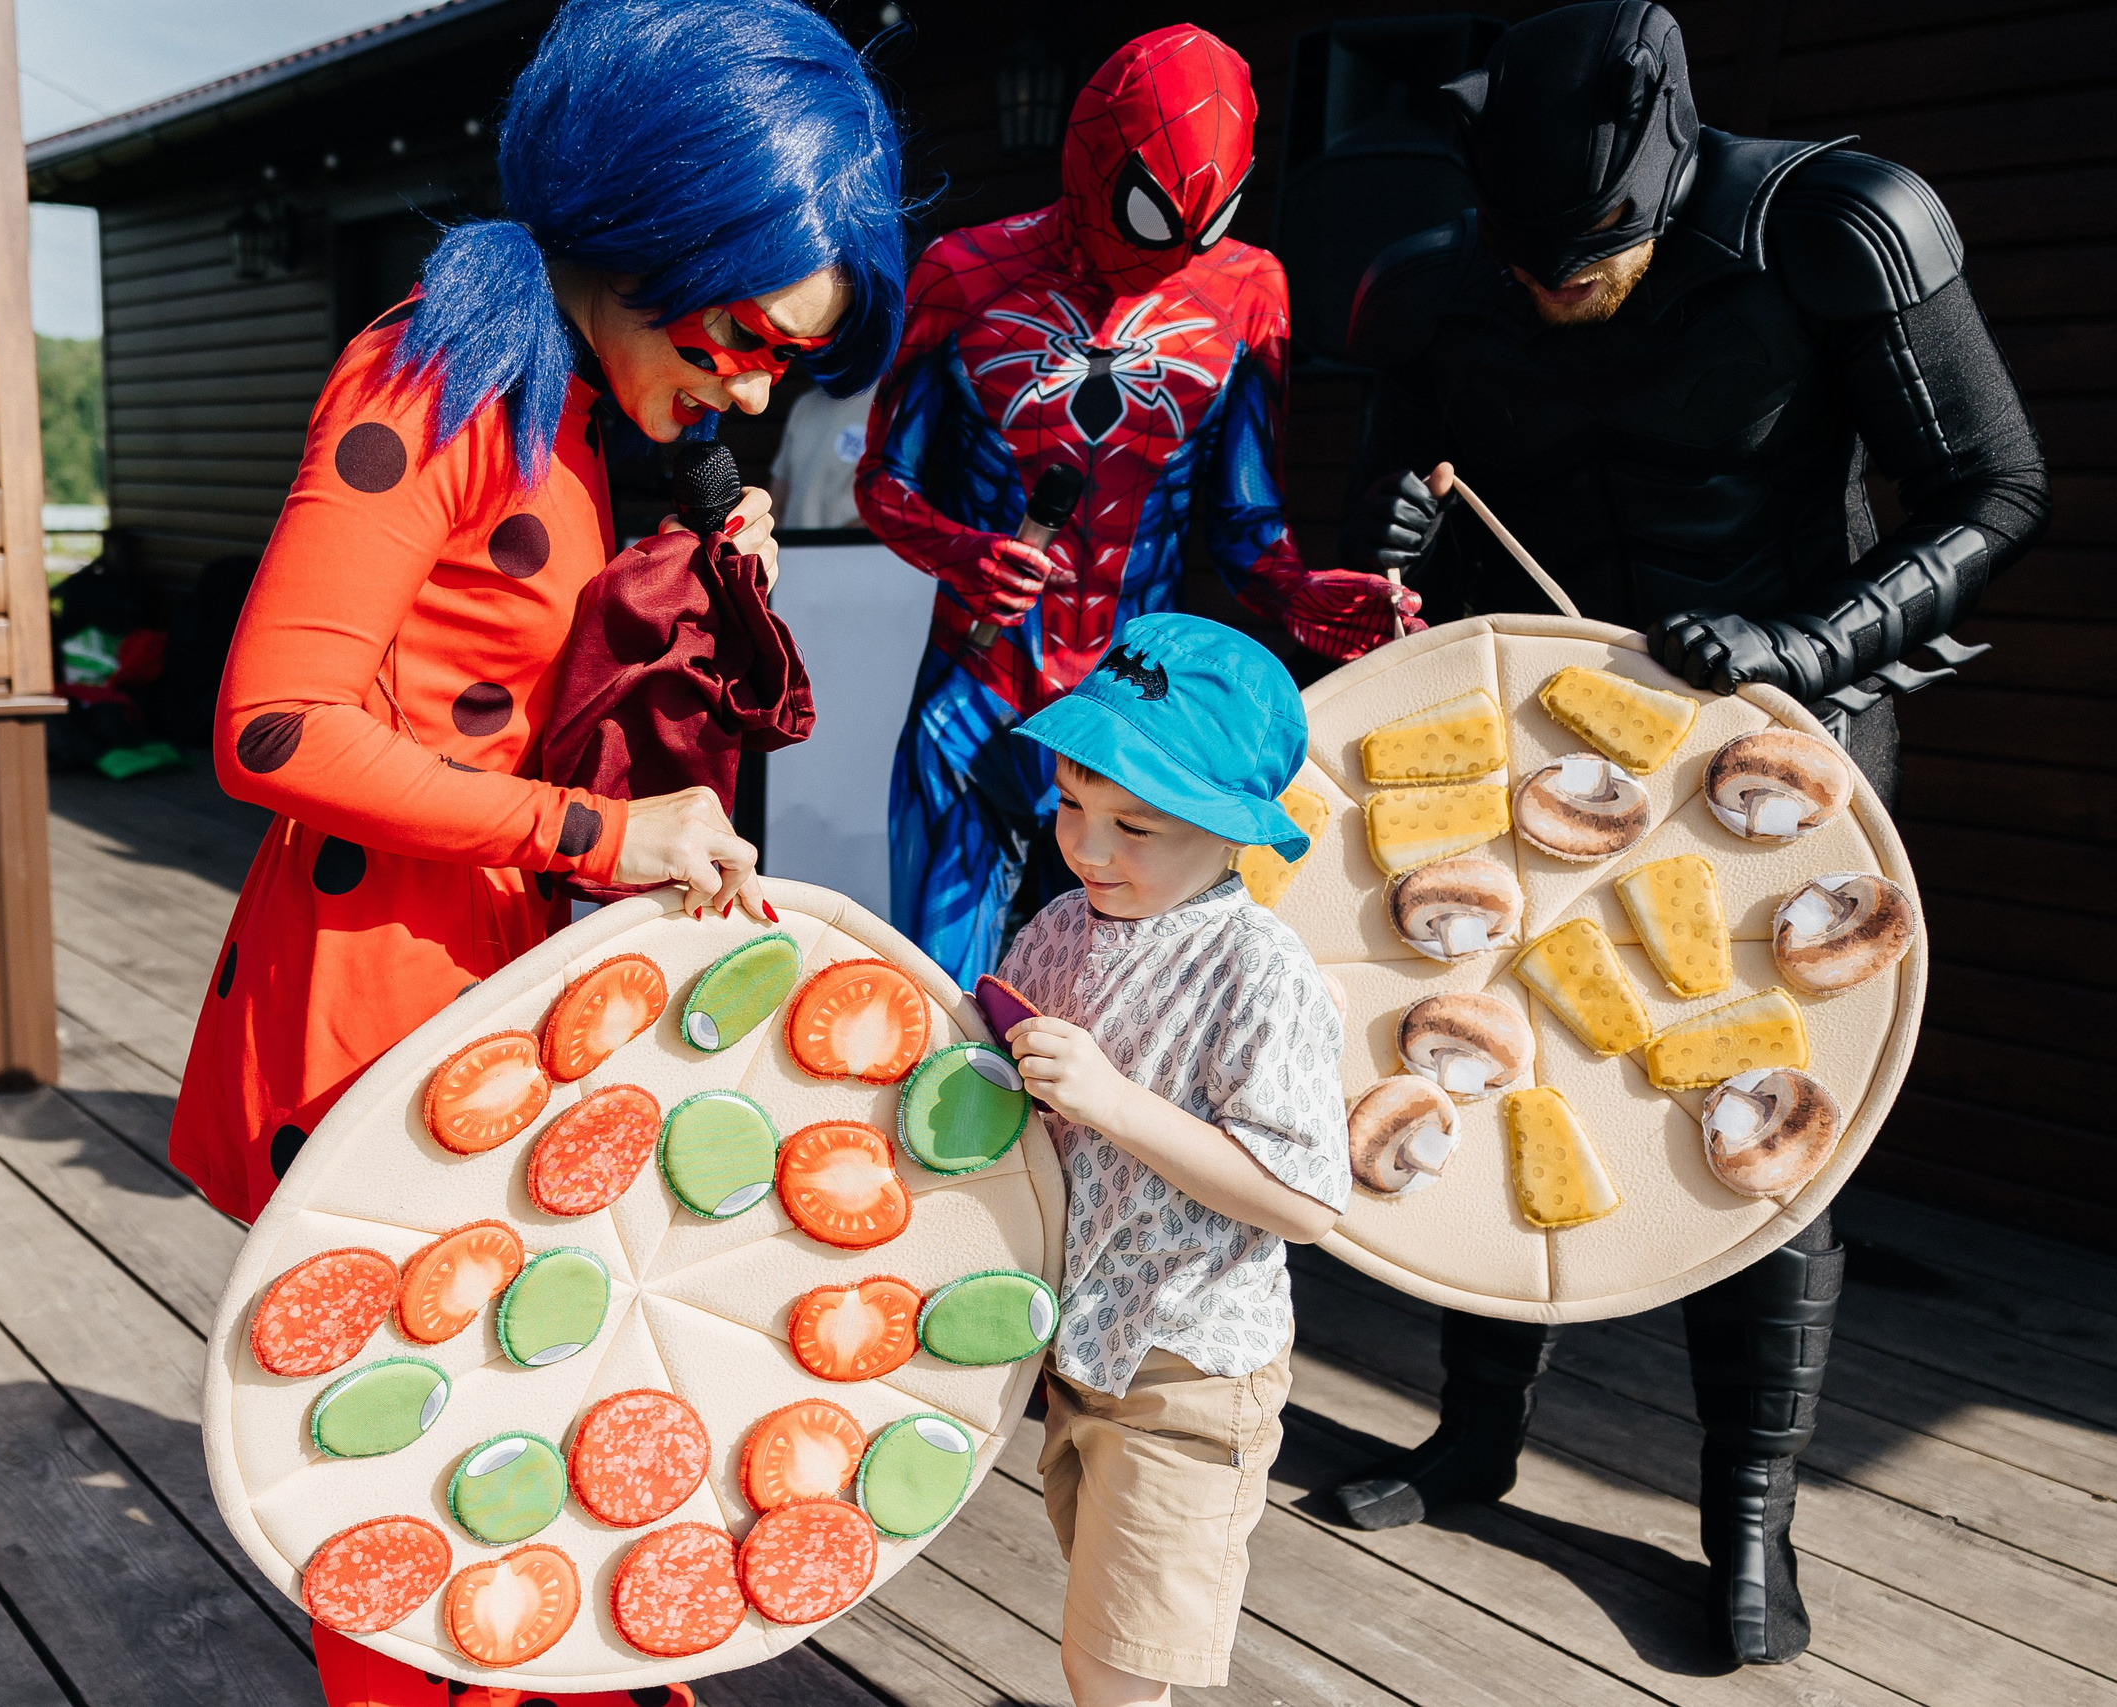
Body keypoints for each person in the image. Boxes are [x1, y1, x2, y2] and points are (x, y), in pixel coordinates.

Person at [166, 2, 905, 1700]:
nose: (751, 383)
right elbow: (271, 727)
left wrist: (693, 546)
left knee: (547, 1390)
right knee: (401, 1441)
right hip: (384, 985)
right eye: (736, 333)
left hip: (518, 971)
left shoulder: (584, 404)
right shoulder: (432, 376)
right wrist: (599, 829)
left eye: (787, 357)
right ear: (645, 232)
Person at [1331, 0, 2049, 1668]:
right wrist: (1394, 525)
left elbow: (1994, 489)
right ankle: (1474, 1430)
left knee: (1752, 1094)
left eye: (1586, 262)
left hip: (1782, 718)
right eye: (1527, 266)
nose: (1552, 296)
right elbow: (1405, 485)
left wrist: (1811, 647)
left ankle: (1751, 1523)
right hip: (1545, 731)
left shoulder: (1841, 224)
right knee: (1483, 1050)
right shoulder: (1443, 275)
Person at [856, 25, 1416, 991]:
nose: (1176, 256)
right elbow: (881, 483)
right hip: (980, 693)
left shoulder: (1247, 289)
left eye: (1211, 222)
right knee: (938, 992)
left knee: (1118, 1006)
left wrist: (1300, 592)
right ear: (1094, 164)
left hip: (1137, 710)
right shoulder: (963, 273)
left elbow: (1246, 525)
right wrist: (960, 549)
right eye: (1158, 220)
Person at [994, 611, 1350, 1707]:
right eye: (1069, 806)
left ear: (1235, 829)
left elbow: (1299, 1201)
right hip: (1076, 1354)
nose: (1089, 847)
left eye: (1134, 826)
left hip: (1188, 1367)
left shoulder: (1260, 968)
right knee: (1095, 1643)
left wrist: (1111, 1101)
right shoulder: (1060, 926)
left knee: (1121, 1667)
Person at [768, 377, 872, 530]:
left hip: (859, 552)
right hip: (794, 549)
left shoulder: (897, 408)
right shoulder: (805, 404)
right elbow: (776, 498)